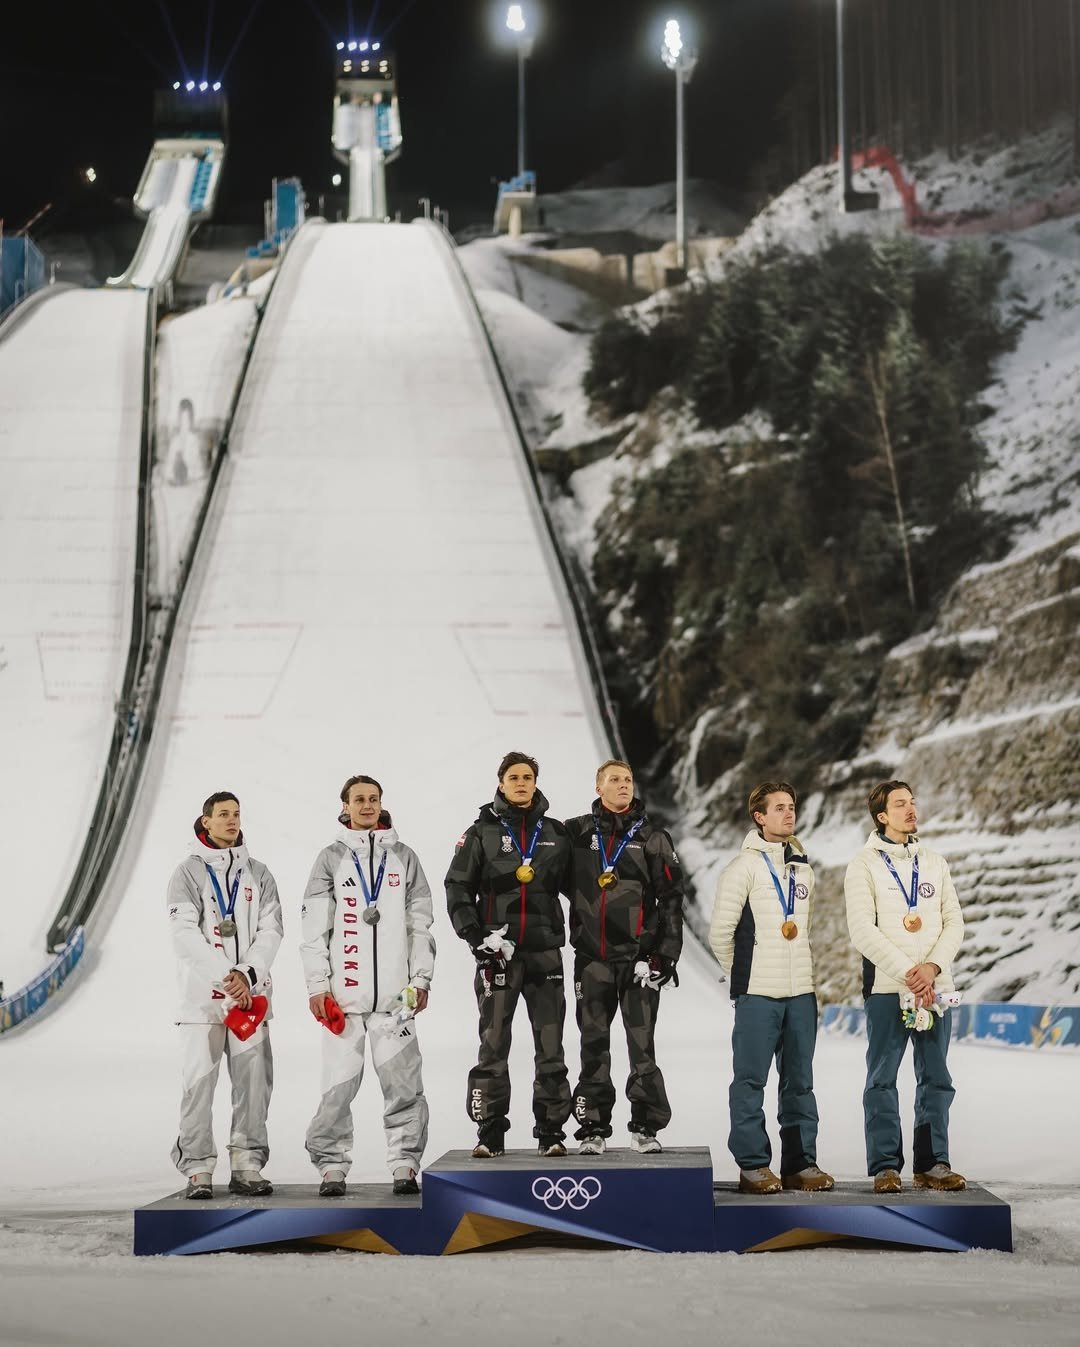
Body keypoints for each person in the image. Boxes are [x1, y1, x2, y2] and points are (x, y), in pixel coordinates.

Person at [301, 774, 435, 1197]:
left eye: (373, 799)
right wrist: (317, 987)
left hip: (396, 1001)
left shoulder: (404, 857)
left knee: (405, 1086)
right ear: (344, 806)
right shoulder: (330, 859)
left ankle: (404, 1164)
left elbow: (421, 925)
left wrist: (421, 979)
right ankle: (331, 1166)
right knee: (337, 1090)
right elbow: (314, 931)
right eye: (359, 799)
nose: (367, 806)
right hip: (345, 1001)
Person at [445, 752, 573, 1158]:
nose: (522, 782)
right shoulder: (480, 833)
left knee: (551, 1046)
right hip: (497, 956)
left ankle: (551, 1132)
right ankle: (490, 1132)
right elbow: (458, 889)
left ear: (536, 783)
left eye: (528, 777)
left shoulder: (555, 832)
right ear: (500, 783)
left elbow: (583, 890)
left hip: (545, 956)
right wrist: (476, 938)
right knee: (493, 1043)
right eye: (514, 777)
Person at [709, 781, 834, 1195]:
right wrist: (745, 976)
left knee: (800, 1082)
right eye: (778, 807)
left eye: (791, 806)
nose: (788, 813)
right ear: (759, 817)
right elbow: (720, 934)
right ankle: (753, 1166)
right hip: (758, 994)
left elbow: (804, 932)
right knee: (749, 1081)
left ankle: (800, 1165)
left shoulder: (804, 870)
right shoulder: (741, 868)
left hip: (801, 992)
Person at [845, 780, 966, 1193]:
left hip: (934, 987)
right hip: (886, 988)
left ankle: (933, 1163)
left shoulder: (934, 861)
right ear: (882, 816)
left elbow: (954, 922)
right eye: (900, 804)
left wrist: (931, 968)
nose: (911, 809)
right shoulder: (863, 865)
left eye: (913, 801)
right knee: (882, 1078)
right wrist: (909, 972)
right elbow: (863, 931)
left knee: (936, 1077)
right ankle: (885, 1167)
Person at [563, 759, 683, 1155]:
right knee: (593, 1043)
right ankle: (592, 1129)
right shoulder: (576, 833)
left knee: (642, 1046)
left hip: (639, 963)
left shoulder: (652, 836)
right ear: (598, 787)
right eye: (614, 780)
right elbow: (550, 880)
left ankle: (645, 1126)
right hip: (592, 960)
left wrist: (665, 956)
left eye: (628, 780)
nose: (623, 786)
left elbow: (671, 900)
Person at [167, 791, 283, 1200]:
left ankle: (247, 1164)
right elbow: (185, 935)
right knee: (199, 1085)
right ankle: (198, 1168)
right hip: (202, 1003)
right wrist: (225, 978)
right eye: (223, 815)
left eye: (236, 814)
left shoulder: (259, 873)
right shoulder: (187, 873)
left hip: (250, 1000)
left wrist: (246, 975)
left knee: (254, 1084)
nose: (232, 821)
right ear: (206, 822)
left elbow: (272, 932)